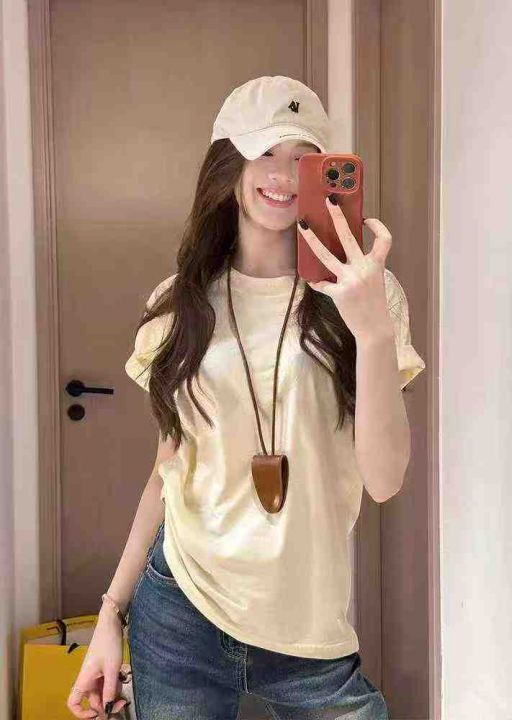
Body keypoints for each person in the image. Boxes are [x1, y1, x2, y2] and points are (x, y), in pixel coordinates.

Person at [67, 75, 425, 720]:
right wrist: (111, 614)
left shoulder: (368, 296)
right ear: (229, 167)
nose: (282, 175)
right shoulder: (177, 303)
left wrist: (372, 331)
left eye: (302, 157)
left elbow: (385, 479)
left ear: (324, 176)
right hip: (180, 608)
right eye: (265, 153)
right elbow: (168, 468)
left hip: (307, 624)